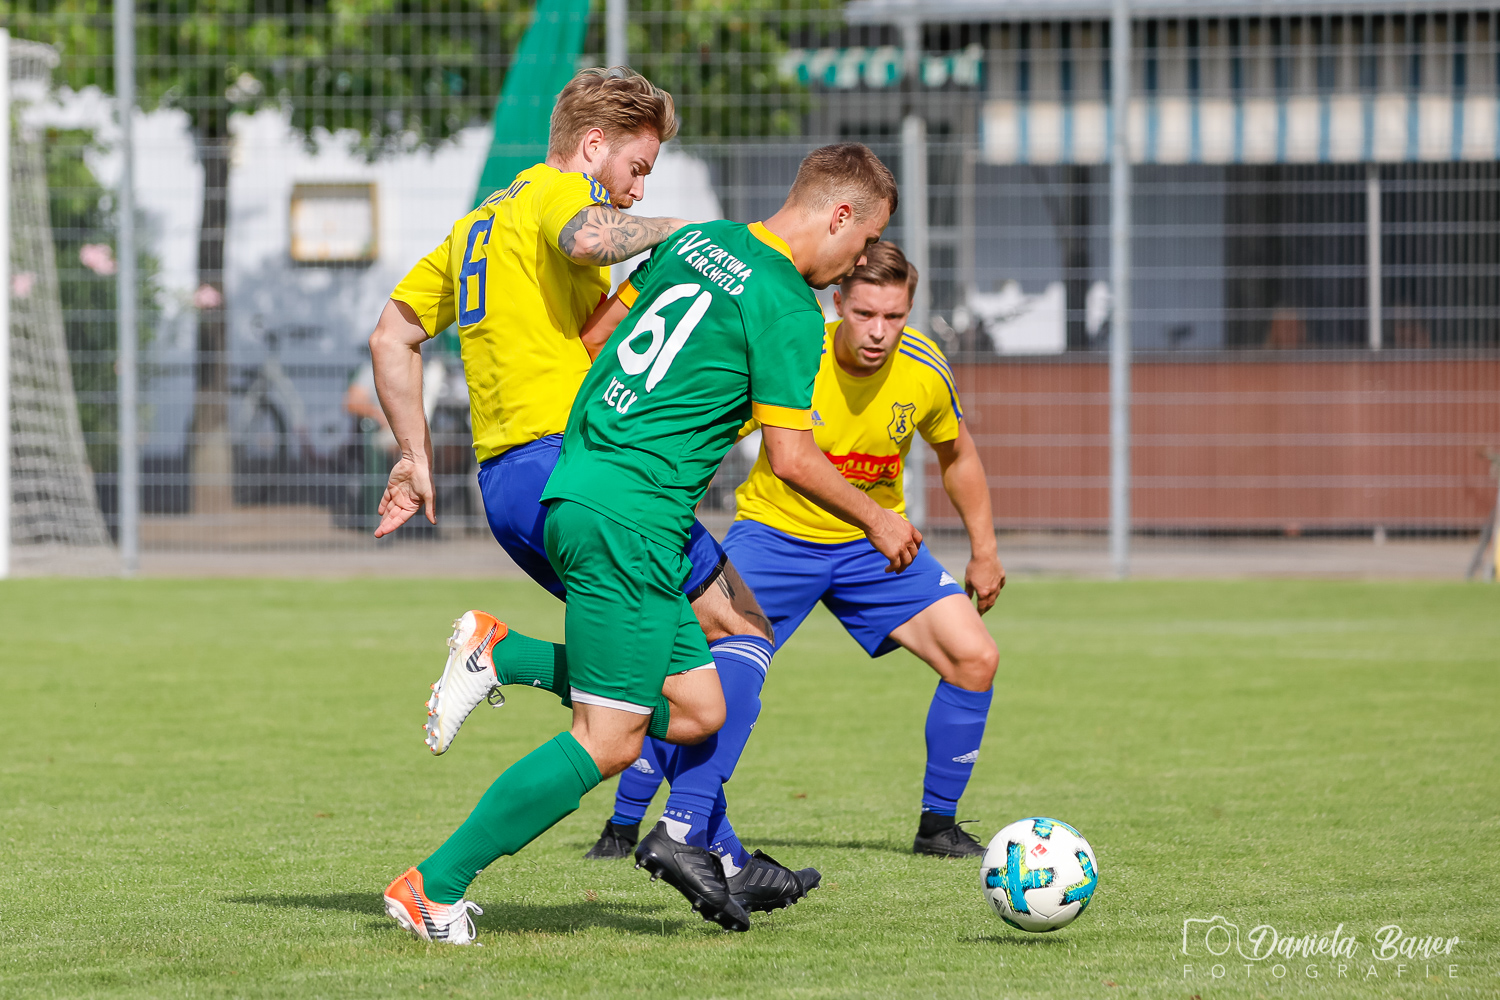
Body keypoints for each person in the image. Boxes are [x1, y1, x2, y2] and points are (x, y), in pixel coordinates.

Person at [381, 142, 919, 941]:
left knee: (698, 708)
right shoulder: (788, 307)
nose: (857, 264)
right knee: (608, 740)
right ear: (840, 215)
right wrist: (878, 518)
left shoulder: (700, 242)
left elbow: (599, 335)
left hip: (587, 487)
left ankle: (508, 655)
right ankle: (433, 885)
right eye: (863, 241)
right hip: (631, 519)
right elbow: (792, 457)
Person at [589, 241, 1004, 865]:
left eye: (894, 316)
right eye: (865, 314)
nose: (879, 331)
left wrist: (985, 550)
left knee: (976, 657)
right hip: (773, 536)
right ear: (838, 302)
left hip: (873, 547)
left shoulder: (925, 369)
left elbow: (958, 454)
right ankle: (622, 829)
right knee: (695, 672)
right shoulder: (795, 351)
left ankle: (938, 827)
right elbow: (705, 432)